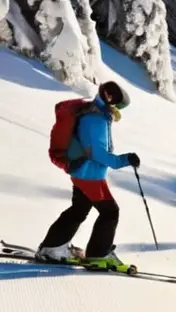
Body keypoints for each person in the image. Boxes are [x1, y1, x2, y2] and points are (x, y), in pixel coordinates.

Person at [36, 81, 140, 272]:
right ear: (106, 97)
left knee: (79, 209)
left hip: (86, 172)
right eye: (115, 102)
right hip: (88, 174)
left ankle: (52, 247)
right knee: (110, 212)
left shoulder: (98, 115)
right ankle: (98, 255)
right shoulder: (95, 119)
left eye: (118, 104)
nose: (117, 109)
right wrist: (125, 160)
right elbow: (98, 154)